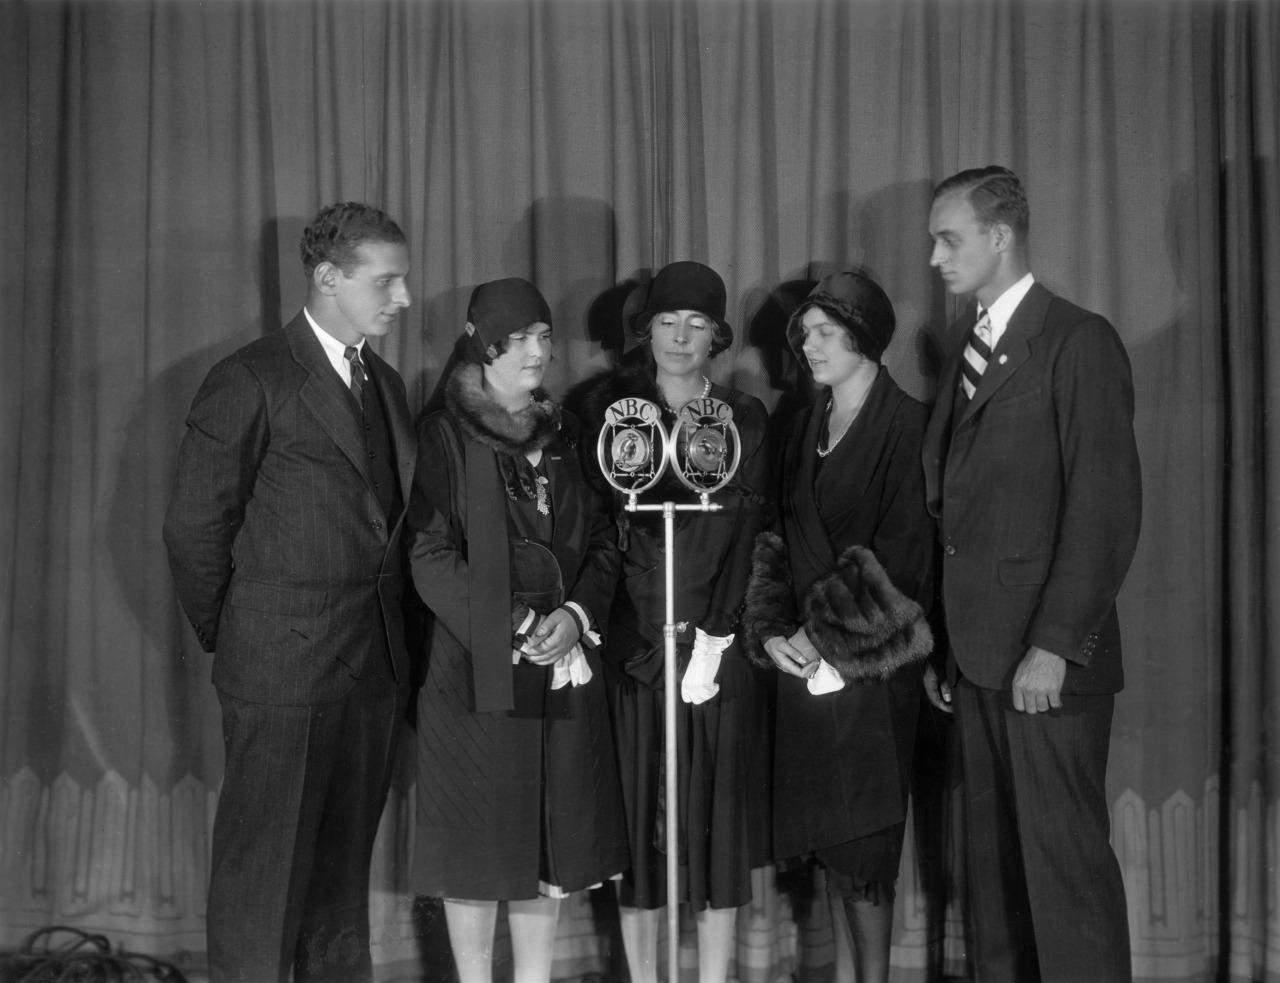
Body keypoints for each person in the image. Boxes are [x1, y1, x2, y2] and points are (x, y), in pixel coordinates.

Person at [162, 202, 416, 982]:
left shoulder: (385, 382)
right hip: (280, 670)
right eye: (387, 280)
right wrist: (244, 634)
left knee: (340, 883)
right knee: (263, 881)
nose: (403, 297)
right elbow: (193, 529)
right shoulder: (250, 378)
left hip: (371, 671)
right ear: (328, 277)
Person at [921, 166, 1142, 982]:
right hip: (978, 660)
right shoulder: (964, 348)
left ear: (1000, 236)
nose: (936, 258)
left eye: (949, 240)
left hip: (1045, 665)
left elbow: (1105, 509)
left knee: (1063, 876)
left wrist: (1053, 644)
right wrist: (948, 647)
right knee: (995, 880)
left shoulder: (1079, 341)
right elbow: (960, 514)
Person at [406, 278, 627, 983]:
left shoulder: (567, 434)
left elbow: (605, 541)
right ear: (484, 343)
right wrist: (520, 622)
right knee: (478, 848)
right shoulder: (443, 435)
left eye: (544, 336)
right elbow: (428, 555)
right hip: (475, 674)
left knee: (545, 846)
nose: (538, 351)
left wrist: (575, 616)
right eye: (521, 338)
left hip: (563, 663)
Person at [582, 261, 772, 983]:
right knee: (638, 828)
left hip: (713, 650)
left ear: (717, 336)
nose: (681, 337)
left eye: (697, 324)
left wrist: (716, 636)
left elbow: (747, 531)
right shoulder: (612, 416)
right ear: (647, 331)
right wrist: (620, 629)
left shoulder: (742, 419)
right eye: (667, 322)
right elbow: (597, 532)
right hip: (633, 650)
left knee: (716, 828)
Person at [742, 271, 934, 983]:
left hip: (871, 669)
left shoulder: (911, 426)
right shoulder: (801, 425)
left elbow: (906, 555)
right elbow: (773, 537)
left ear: (865, 337)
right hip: (801, 663)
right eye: (804, 334)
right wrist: (771, 630)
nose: (808, 346)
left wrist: (820, 636)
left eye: (826, 332)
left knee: (865, 848)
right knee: (829, 843)